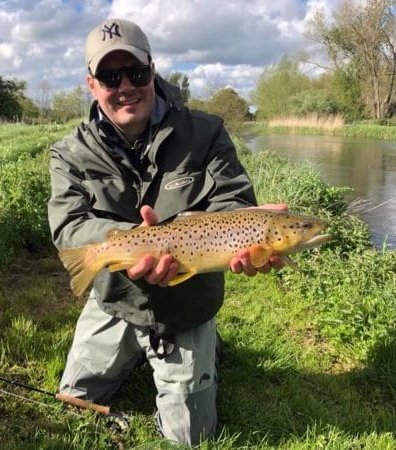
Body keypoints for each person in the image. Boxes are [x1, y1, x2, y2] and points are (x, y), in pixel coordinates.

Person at [47, 18, 284, 445]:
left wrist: (248, 227)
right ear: (91, 83)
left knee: (189, 438)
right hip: (118, 295)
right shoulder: (70, 152)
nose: (125, 86)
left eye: (136, 73)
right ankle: (142, 348)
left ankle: (202, 344)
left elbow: (232, 201)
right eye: (109, 75)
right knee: (73, 399)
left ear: (152, 71)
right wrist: (137, 241)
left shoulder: (206, 132)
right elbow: (69, 227)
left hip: (188, 303)